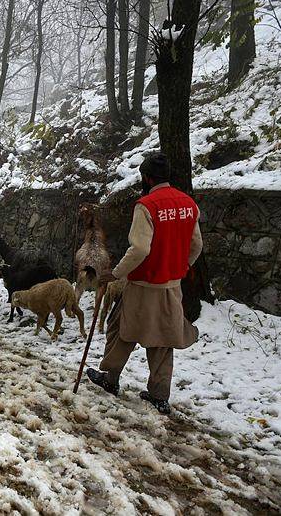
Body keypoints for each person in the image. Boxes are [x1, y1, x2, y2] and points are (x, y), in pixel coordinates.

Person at [86, 152, 203, 414]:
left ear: (147, 177)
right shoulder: (188, 204)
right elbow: (197, 244)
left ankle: (110, 377)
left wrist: (116, 273)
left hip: (144, 283)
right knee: (162, 337)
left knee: (121, 327)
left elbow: (139, 249)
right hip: (171, 285)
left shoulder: (147, 205)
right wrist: (182, 267)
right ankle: (159, 394)